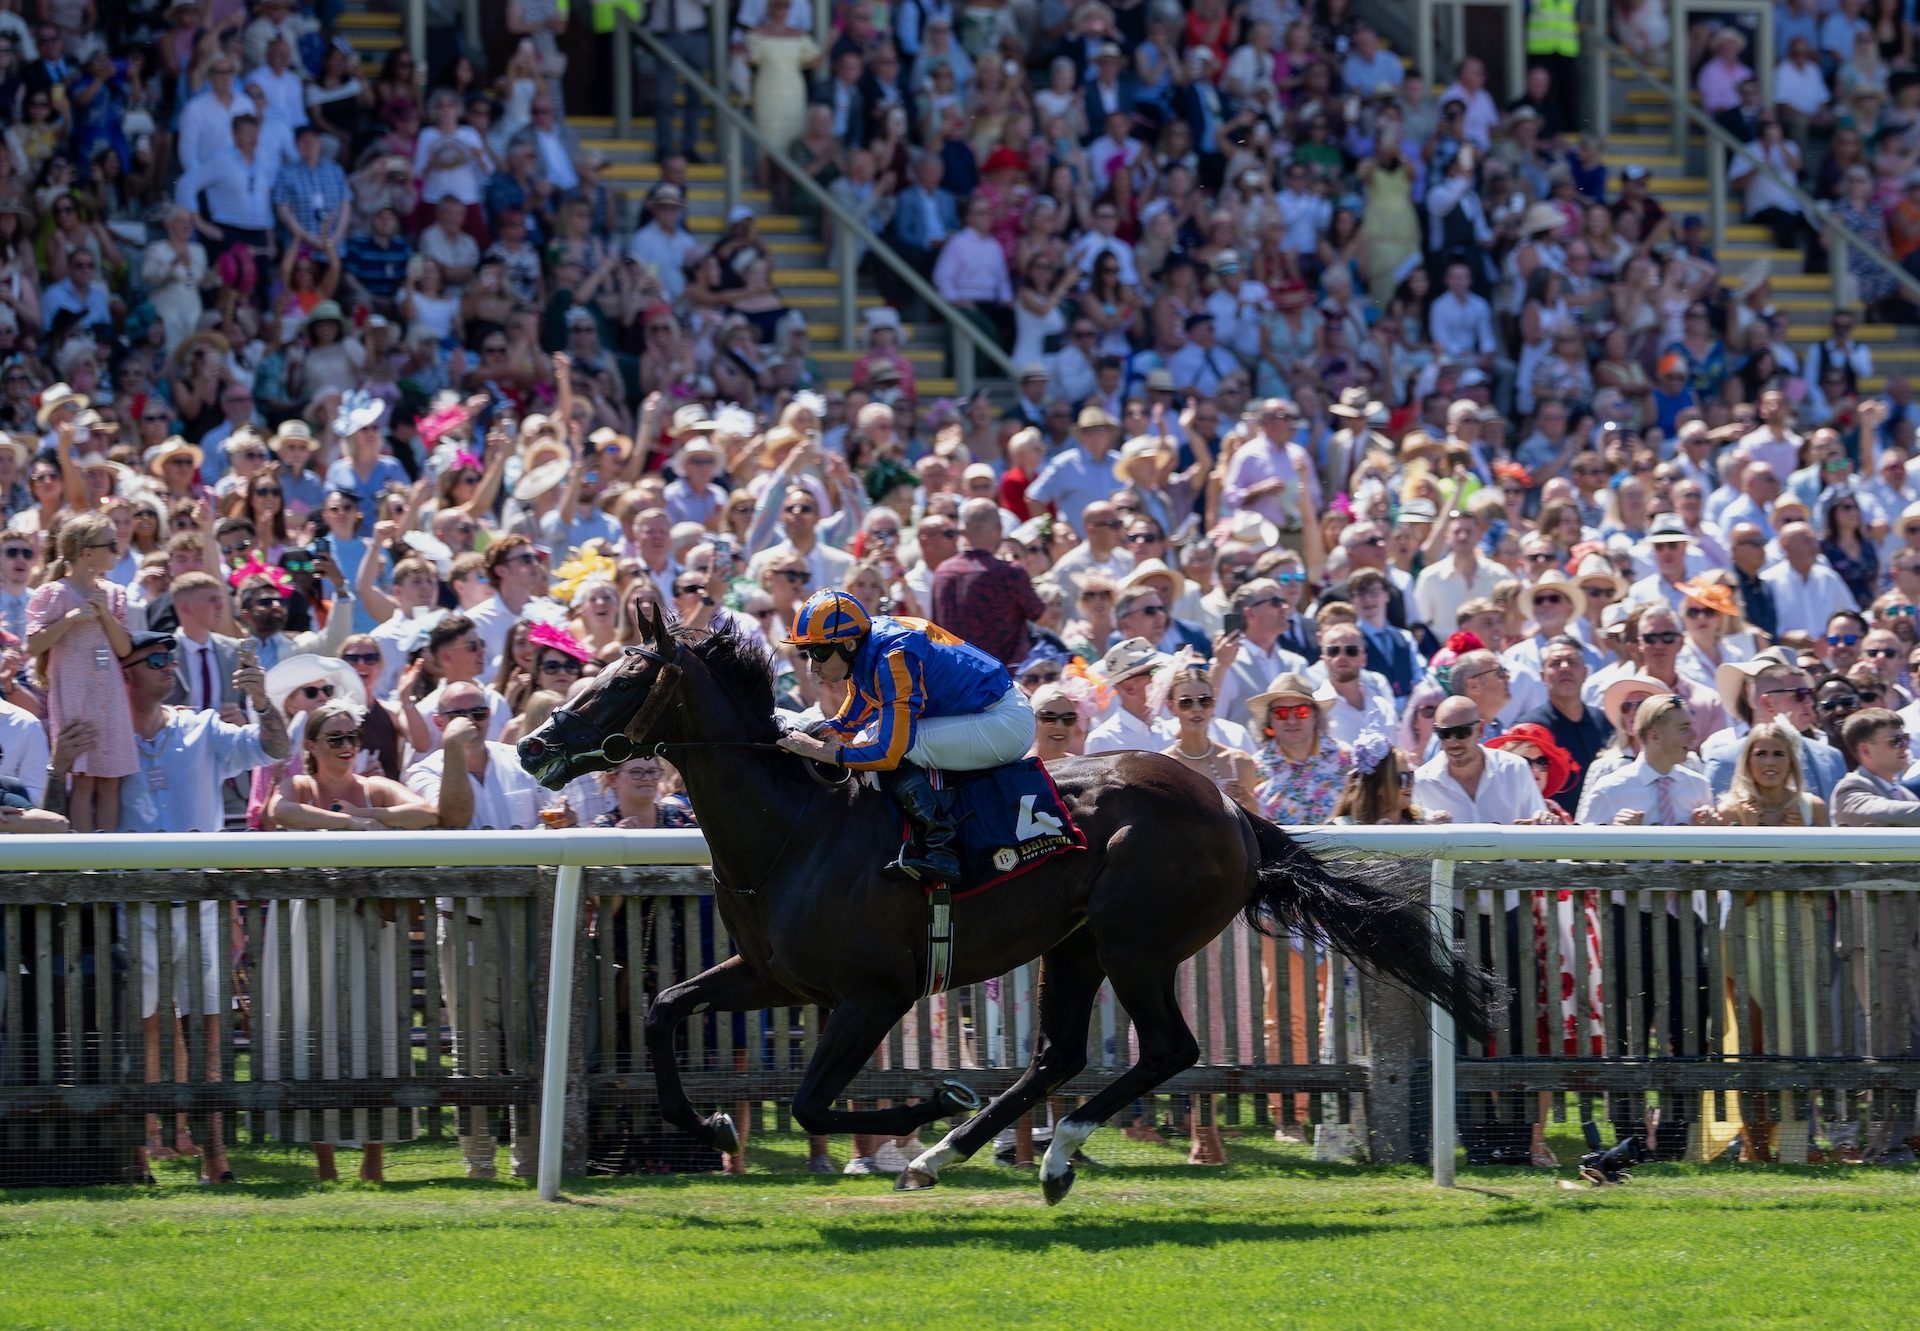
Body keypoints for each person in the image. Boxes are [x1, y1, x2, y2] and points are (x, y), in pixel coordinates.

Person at [118, 628, 289, 1185]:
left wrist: (261, 700)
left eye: (170, 657)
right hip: (136, 905)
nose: (169, 666)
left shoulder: (202, 727)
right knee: (144, 1029)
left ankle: (214, 1155)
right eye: (155, 660)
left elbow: (275, 747)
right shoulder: (108, 735)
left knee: (208, 1028)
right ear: (124, 675)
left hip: (201, 904)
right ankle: (142, 1151)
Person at [774, 590, 1036, 885]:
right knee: (867, 737)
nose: (814, 666)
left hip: (1005, 722)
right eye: (808, 653)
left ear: (848, 644)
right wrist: (809, 736)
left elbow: (889, 752)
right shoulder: (865, 645)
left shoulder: (893, 655)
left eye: (820, 653)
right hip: (987, 711)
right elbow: (849, 718)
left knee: (882, 742)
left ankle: (941, 846)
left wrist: (821, 751)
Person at [25, 511, 135, 833]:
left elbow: (124, 648)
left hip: (110, 695)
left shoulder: (113, 593)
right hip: (75, 695)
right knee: (84, 779)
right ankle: (83, 848)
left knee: (111, 780)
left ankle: (110, 853)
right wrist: (71, 618)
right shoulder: (54, 593)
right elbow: (33, 644)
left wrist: (104, 614)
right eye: (111, 544)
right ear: (88, 553)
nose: (117, 550)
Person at [929, 497, 1046, 668]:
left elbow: (935, 629)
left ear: (962, 530)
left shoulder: (943, 573)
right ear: (999, 529)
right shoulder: (1011, 573)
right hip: (1003, 678)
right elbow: (1042, 617)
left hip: (956, 676)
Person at [1580, 694, 1717, 825]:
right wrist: (1614, 834)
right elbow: (1582, 840)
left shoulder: (1699, 786)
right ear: (1654, 736)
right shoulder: (1609, 790)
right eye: (1684, 729)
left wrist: (1709, 829)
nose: (1694, 735)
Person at [1413, 696, 1548, 823]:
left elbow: (1538, 829)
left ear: (1480, 729)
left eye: (1462, 732)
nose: (1453, 743)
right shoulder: (1421, 782)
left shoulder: (1515, 769)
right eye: (1444, 733)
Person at [1248, 671, 1352, 824]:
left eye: (1301, 712)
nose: (1291, 720)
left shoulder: (1346, 758)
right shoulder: (1252, 768)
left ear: (1315, 715)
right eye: (1281, 713)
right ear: (1270, 720)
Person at [1160, 661, 1257, 814]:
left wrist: (1249, 802)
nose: (1196, 709)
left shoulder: (1240, 762)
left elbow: (1257, 820)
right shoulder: (1163, 765)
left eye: (1204, 701)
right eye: (1186, 702)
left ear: (1213, 704)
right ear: (1171, 707)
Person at [1832, 709, 1920, 824]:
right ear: (1866, 750)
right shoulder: (1851, 788)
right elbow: (1883, 813)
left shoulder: (1906, 795)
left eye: (1905, 738)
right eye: (1896, 741)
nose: (1905, 746)